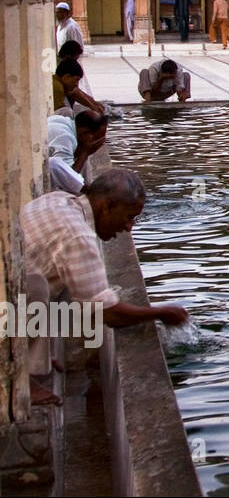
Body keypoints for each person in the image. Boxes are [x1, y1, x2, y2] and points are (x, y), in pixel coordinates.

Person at [21, 169, 189, 405]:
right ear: (108, 206)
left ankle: (33, 360)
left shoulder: (57, 200)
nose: (129, 227)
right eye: (129, 217)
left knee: (59, 282)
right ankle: (20, 382)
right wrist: (161, 313)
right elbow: (106, 313)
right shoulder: (77, 236)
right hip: (7, 305)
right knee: (34, 286)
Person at [47, 111, 109, 194]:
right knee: (81, 155)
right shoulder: (65, 137)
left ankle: (90, 190)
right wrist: (85, 153)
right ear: (86, 134)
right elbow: (67, 177)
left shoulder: (64, 122)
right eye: (98, 137)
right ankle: (92, 193)